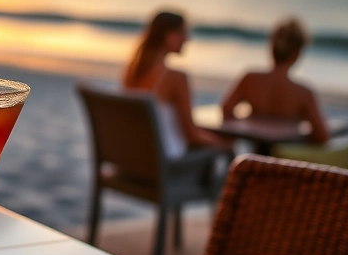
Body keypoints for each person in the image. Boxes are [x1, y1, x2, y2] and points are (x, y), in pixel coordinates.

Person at [123, 10, 227, 157]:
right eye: (182, 33)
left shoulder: (133, 73)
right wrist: (225, 145)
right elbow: (191, 135)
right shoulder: (175, 77)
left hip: (137, 156)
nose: (187, 39)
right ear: (168, 35)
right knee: (224, 147)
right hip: (167, 162)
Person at [221, 18, 329, 143]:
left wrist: (249, 127)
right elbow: (322, 135)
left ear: (271, 48)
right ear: (297, 54)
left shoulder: (250, 79)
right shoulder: (303, 93)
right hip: (285, 156)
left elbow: (226, 109)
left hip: (256, 152)